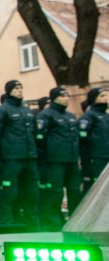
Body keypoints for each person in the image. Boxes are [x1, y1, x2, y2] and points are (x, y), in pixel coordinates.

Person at [0, 80, 38, 230]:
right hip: (11, 159)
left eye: (21, 88)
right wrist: (3, 152)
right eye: (16, 88)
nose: (20, 91)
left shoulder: (27, 111)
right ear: (9, 91)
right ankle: (7, 224)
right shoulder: (1, 111)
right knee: (9, 194)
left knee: (31, 193)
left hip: (29, 158)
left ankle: (32, 225)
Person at [35, 87, 81, 229]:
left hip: (72, 160)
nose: (66, 98)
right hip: (55, 160)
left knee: (74, 191)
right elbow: (40, 138)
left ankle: (76, 223)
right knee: (55, 194)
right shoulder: (46, 115)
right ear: (55, 97)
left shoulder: (70, 116)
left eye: (67, 95)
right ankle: (53, 224)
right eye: (63, 95)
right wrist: (51, 151)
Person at [80, 87, 109, 194]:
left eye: (106, 95)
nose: (106, 98)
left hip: (107, 156)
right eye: (102, 96)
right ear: (93, 99)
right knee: (95, 186)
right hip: (95, 157)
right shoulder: (89, 116)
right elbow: (82, 137)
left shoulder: (106, 116)